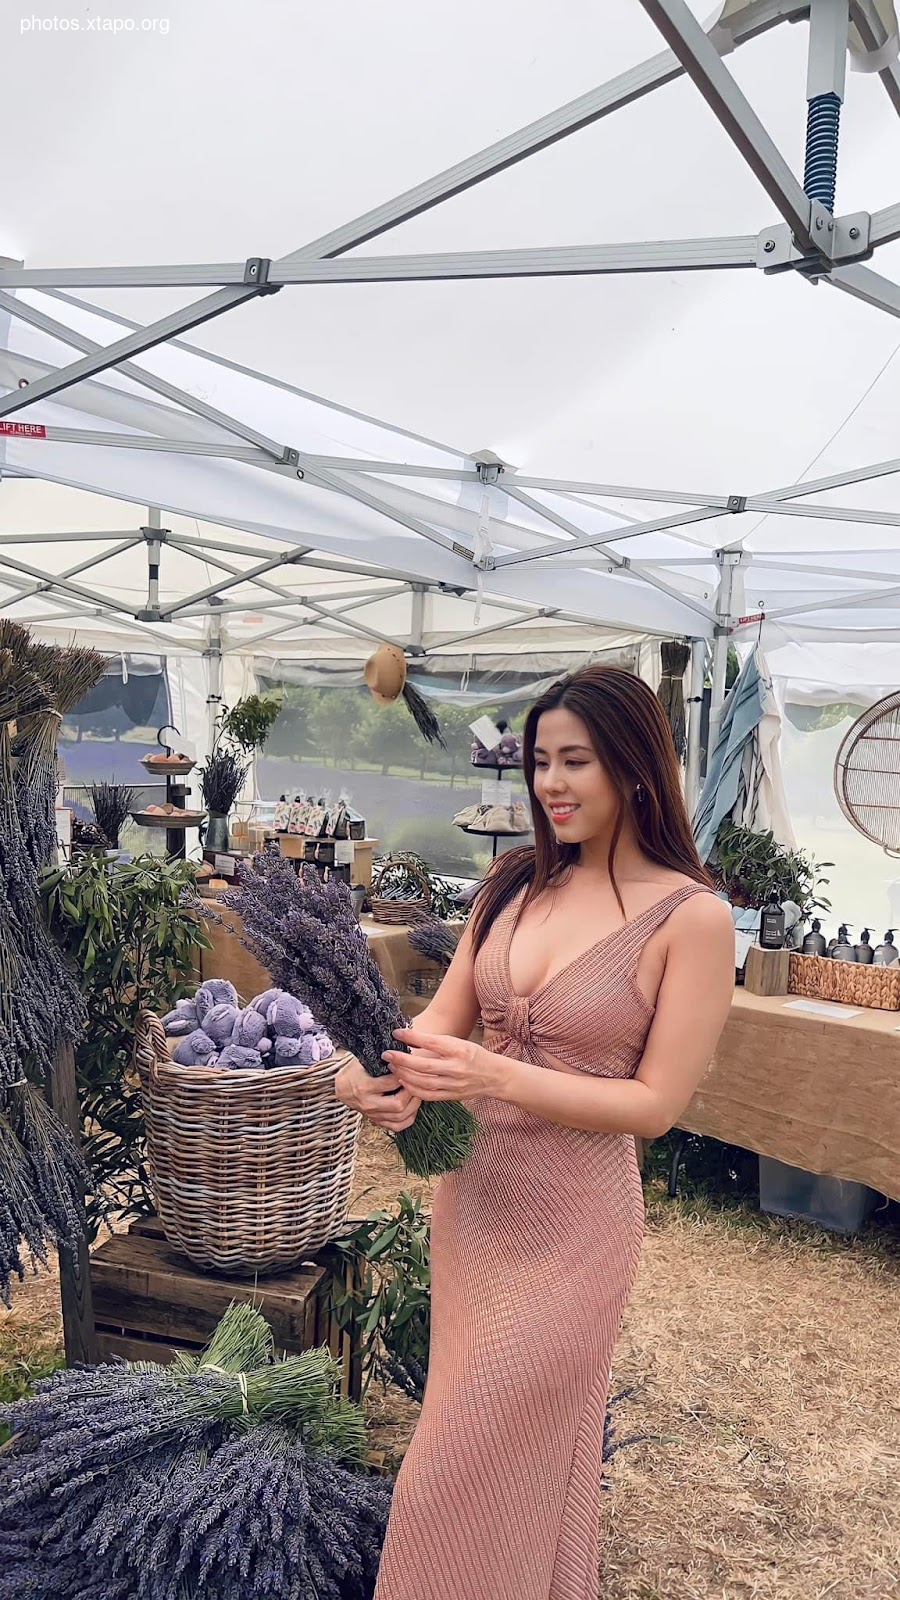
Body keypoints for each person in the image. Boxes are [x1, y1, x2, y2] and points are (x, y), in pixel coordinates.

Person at [335, 664, 735, 1600]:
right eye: (539, 763)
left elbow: (656, 1105)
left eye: (576, 762)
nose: (551, 784)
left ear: (636, 769)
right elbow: (437, 1025)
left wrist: (495, 1073)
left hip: (577, 1226)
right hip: (475, 1208)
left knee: (459, 1460)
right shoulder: (515, 883)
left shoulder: (694, 917)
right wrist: (375, 1078)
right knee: (492, 1451)